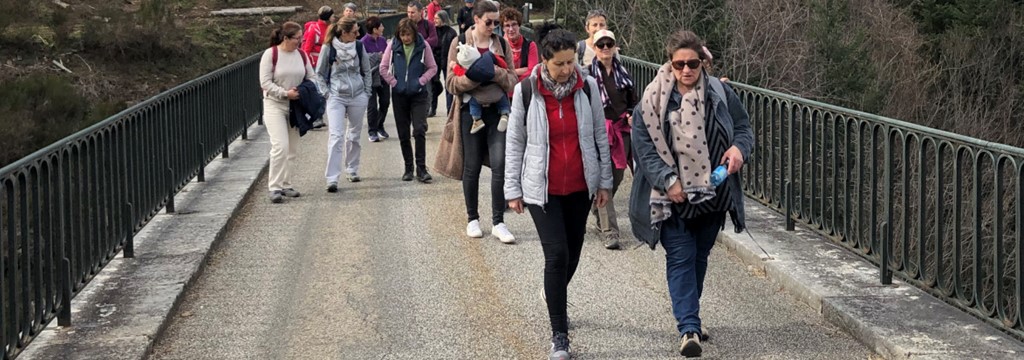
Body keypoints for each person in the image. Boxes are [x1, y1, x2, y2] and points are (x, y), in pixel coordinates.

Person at [628, 30, 753, 358]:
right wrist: (669, 180)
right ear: (669, 63)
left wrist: (739, 149)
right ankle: (689, 328)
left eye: (692, 63)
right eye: (679, 63)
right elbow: (642, 146)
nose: (686, 70)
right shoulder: (653, 99)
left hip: (714, 192)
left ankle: (690, 313)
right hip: (673, 197)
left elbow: (743, 127)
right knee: (681, 256)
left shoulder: (719, 92)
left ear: (703, 61)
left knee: (699, 255)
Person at [504, 22, 612, 360]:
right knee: (557, 255)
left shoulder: (589, 87)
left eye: (571, 63)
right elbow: (515, 141)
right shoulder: (527, 90)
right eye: (559, 64)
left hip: (580, 186)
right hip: (542, 188)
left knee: (574, 251)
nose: (567, 70)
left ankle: (554, 295)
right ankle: (559, 335)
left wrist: (604, 181)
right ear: (545, 62)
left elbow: (599, 136)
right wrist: (513, 188)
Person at [445, 0, 518, 244]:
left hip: (497, 111)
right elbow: (450, 83)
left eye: (496, 22)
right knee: (472, 166)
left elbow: (512, 80)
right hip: (469, 112)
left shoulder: (501, 44)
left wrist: (493, 72)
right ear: (476, 19)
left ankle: (499, 221)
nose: (494, 27)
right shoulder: (459, 43)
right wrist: (474, 77)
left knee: (500, 165)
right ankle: (472, 218)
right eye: (489, 22)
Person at [584, 29, 637, 250]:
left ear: (615, 46)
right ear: (594, 48)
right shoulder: (587, 75)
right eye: (601, 45)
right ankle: (609, 231)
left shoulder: (623, 73)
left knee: (616, 177)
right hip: (599, 131)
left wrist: (633, 114)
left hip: (621, 130)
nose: (605, 48)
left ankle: (598, 209)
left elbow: (634, 101)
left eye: (609, 44)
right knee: (603, 178)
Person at [259, 21, 317, 203]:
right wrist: (285, 93)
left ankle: (286, 183)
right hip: (274, 105)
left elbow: (312, 76)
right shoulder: (271, 54)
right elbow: (265, 82)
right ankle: (274, 187)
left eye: (301, 38)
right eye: (297, 39)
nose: (300, 42)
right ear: (286, 38)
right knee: (280, 146)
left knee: (292, 148)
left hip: (296, 106)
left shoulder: (301, 54)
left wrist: (302, 91)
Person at [317, 17, 372, 192]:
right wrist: (327, 94)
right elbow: (319, 73)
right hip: (336, 96)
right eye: (355, 32)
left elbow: (367, 70)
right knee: (336, 136)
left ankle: (352, 169)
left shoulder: (358, 46)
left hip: (357, 95)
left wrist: (367, 92)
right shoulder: (329, 48)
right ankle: (332, 178)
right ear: (343, 32)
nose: (358, 34)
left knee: (354, 135)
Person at [380, 18, 438, 182]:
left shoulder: (423, 45)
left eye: (408, 35)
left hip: (418, 94)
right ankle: (408, 168)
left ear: (414, 33)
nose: (405, 38)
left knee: (419, 129)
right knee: (403, 132)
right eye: (402, 35)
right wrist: (394, 83)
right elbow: (383, 68)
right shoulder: (392, 45)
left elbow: (433, 68)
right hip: (399, 94)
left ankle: (421, 168)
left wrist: (421, 81)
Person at [452, 43, 511, 134]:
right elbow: (502, 63)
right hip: (496, 93)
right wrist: (504, 68)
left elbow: (460, 73)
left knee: (472, 100)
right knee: (502, 94)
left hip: (479, 97)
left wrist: (454, 66)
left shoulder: (470, 73)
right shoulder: (489, 57)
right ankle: (505, 113)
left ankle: (477, 119)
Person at [362, 16, 391, 142]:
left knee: (385, 102)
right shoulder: (362, 42)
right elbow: (363, 60)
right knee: (372, 106)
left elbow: (387, 55)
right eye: (381, 26)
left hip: (383, 76)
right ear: (375, 29)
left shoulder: (383, 40)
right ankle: (372, 130)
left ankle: (380, 125)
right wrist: (377, 56)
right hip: (370, 77)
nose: (383, 28)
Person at [501, 7, 539, 84]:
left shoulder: (530, 45)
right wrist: (522, 70)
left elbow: (533, 71)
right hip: (505, 90)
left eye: (514, 24)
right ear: (503, 28)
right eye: (507, 25)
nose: (511, 29)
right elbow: (499, 73)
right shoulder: (500, 45)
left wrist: (510, 72)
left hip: (523, 88)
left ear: (519, 25)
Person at [432, 10, 458, 116]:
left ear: (443, 19)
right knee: (434, 85)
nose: (434, 20)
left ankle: (449, 109)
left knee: (449, 86)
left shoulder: (451, 32)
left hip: (447, 60)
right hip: (435, 60)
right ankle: (432, 108)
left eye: (437, 18)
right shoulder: (433, 31)